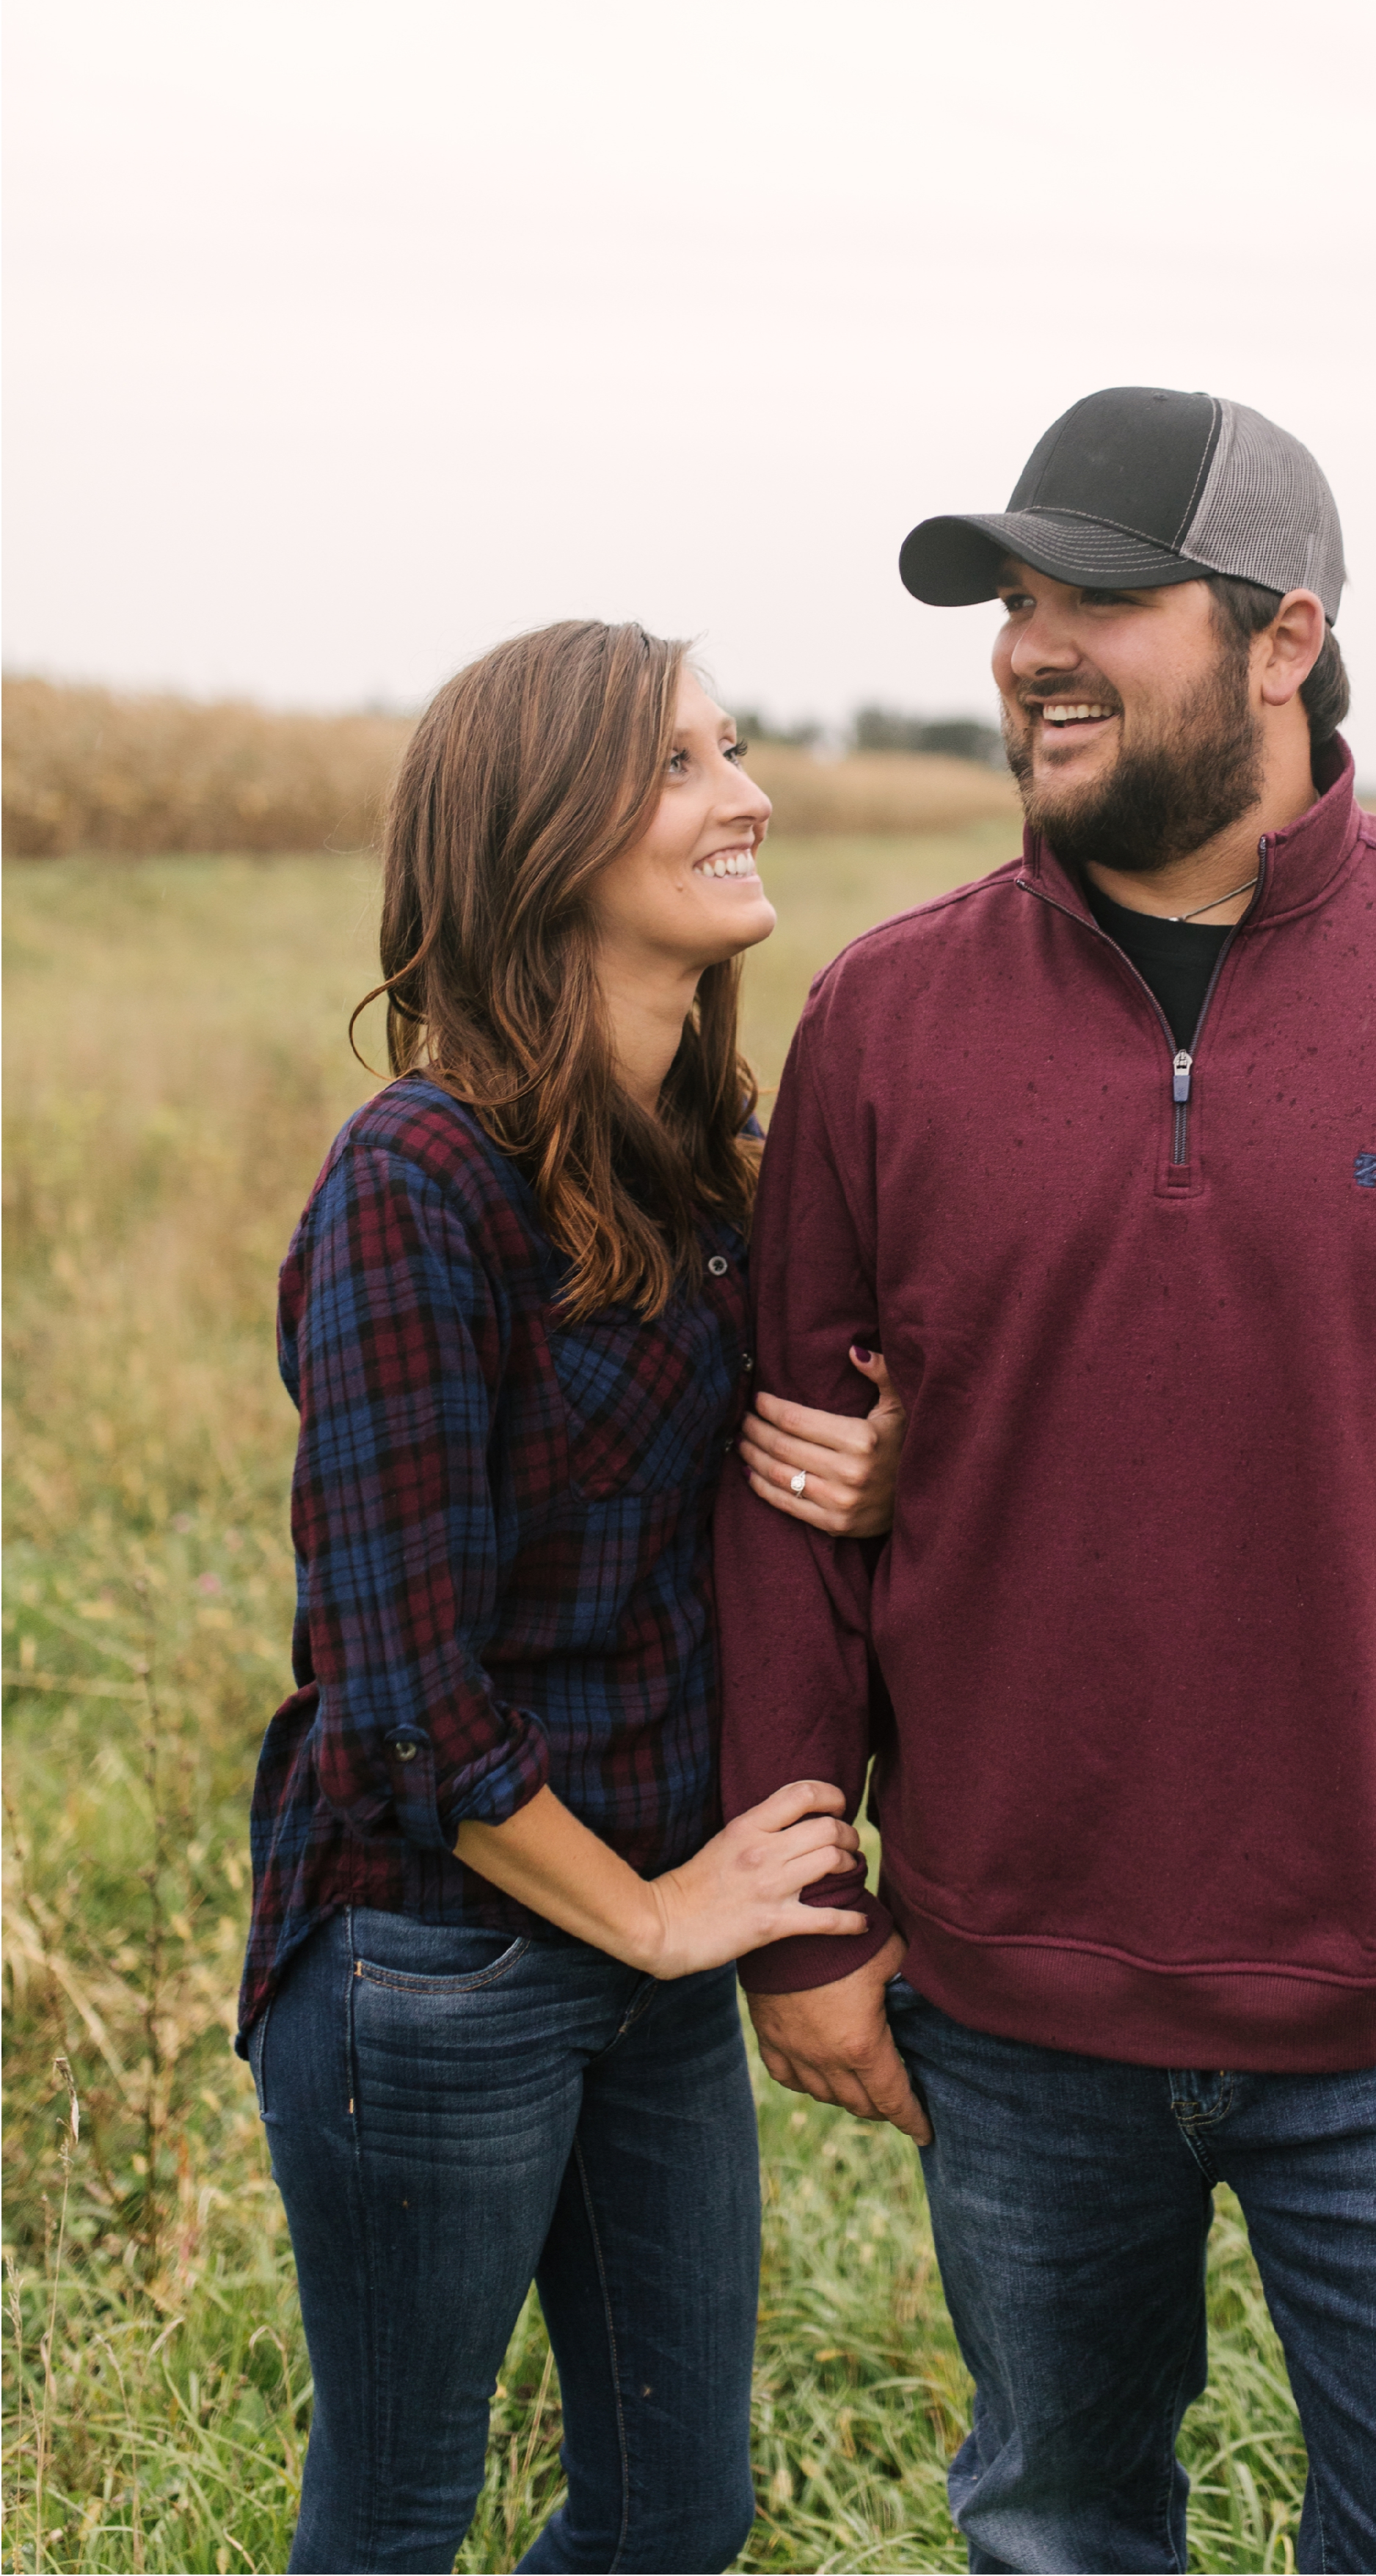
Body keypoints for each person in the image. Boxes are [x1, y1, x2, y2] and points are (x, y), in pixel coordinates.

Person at [716, 388, 1376, 2576]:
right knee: (1055, 2525)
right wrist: (810, 1913)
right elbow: (788, 1503)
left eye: (1098, 595)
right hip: (1008, 2015)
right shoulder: (885, 1023)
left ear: (1284, 639)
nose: (1029, 647)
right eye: (1012, 603)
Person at [237, 619, 913, 2576]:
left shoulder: (718, 1164)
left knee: (674, 2509)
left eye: (737, 747)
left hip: (646, 1968)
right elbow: (399, 1691)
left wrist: (881, 1466)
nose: (749, 790)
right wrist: (651, 1909)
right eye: (688, 763)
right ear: (549, 836)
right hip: (434, 1961)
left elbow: (761, 1503)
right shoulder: (419, 1181)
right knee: (394, 2512)